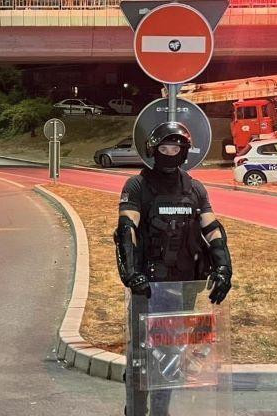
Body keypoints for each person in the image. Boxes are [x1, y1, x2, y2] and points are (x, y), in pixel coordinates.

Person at [115, 121, 233, 416]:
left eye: (177, 147)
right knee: (142, 357)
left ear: (184, 152)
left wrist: (223, 267)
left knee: (171, 357)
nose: (171, 153)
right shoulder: (137, 186)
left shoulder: (194, 188)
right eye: (165, 147)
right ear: (154, 150)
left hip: (183, 287)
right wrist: (130, 272)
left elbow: (213, 228)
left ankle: (161, 411)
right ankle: (136, 410)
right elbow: (127, 228)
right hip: (147, 288)